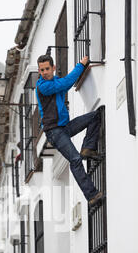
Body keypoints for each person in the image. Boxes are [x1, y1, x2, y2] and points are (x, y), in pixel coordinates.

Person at [36, 54, 103, 207]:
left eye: (47, 69)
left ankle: (88, 149)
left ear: (53, 68)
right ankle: (92, 196)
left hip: (64, 127)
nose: (44, 72)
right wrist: (81, 65)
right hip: (54, 132)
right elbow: (66, 83)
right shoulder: (43, 87)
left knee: (94, 116)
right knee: (75, 160)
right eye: (41, 70)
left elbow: (63, 82)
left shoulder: (55, 81)